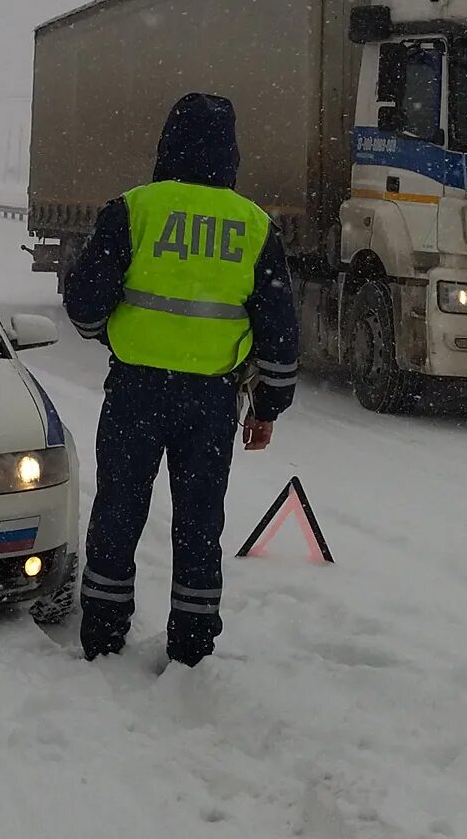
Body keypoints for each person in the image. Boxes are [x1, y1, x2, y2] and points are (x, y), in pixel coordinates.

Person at [62, 91, 300, 665]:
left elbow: (84, 302)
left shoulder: (133, 208)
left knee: (118, 511)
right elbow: (280, 329)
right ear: (231, 152)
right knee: (199, 523)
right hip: (211, 401)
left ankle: (103, 631)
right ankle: (192, 644)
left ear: (167, 142)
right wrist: (268, 406)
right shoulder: (254, 225)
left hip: (135, 391)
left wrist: (108, 331)